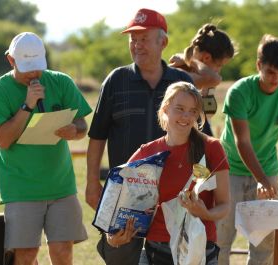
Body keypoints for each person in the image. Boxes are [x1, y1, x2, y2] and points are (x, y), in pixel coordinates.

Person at [85, 8, 193, 265]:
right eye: (133, 38)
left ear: (163, 42)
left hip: (172, 196)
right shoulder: (116, 80)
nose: (136, 44)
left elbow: (200, 138)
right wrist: (91, 184)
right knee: (120, 257)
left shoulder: (182, 83)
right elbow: (97, 135)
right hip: (125, 194)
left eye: (144, 38)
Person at [0, 32, 91, 265]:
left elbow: (82, 125)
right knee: (26, 255)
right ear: (11, 61)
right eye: (27, 67)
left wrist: (75, 130)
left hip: (61, 186)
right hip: (21, 189)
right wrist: (27, 105)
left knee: (63, 251)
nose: (34, 73)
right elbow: (2, 140)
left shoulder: (61, 82)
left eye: (38, 66)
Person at [106, 81, 230, 264]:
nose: (186, 116)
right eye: (179, 108)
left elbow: (225, 205)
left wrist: (205, 214)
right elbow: (116, 196)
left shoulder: (212, 148)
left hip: (199, 248)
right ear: (165, 108)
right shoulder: (147, 152)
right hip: (156, 249)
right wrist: (113, 234)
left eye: (193, 111)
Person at [217, 34, 278, 265]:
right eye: (270, 72)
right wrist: (260, 180)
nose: (275, 79)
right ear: (259, 65)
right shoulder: (239, 91)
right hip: (228, 169)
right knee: (221, 240)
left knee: (265, 244)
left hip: (267, 168)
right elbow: (243, 142)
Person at [169, 23, 236, 135]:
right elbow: (215, 78)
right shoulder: (182, 74)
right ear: (206, 58)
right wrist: (191, 60)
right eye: (219, 65)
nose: (219, 70)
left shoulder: (204, 76)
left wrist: (187, 58)